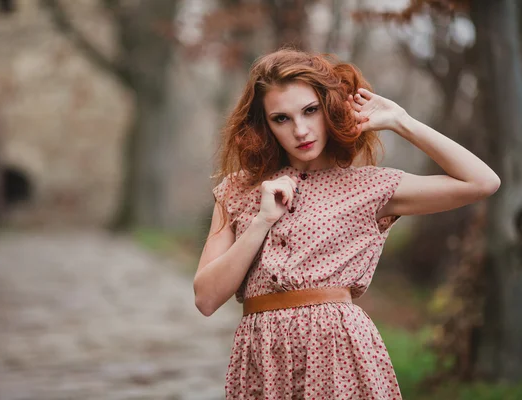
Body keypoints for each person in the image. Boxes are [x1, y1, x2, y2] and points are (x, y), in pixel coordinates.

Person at [193, 48, 500, 399]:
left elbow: (482, 183)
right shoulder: (237, 189)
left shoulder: (370, 187)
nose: (301, 129)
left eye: (310, 110)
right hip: (262, 359)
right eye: (282, 118)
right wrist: (262, 221)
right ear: (265, 126)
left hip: (339, 353)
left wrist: (403, 122)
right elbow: (206, 298)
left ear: (329, 109)